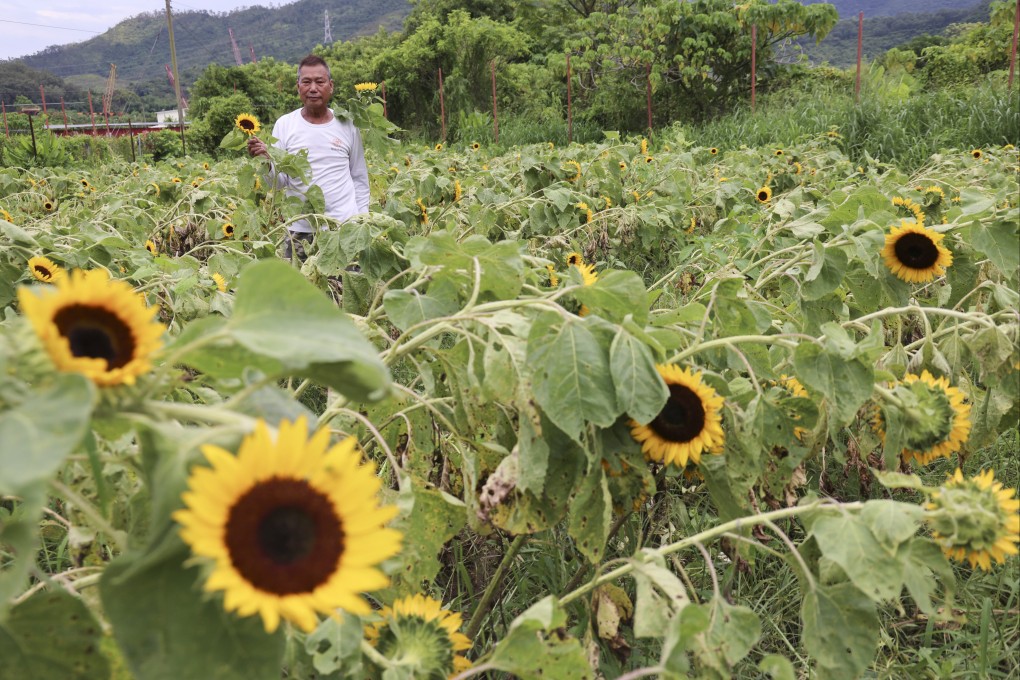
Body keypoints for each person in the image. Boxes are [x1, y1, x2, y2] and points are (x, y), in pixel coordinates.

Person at [247, 54, 370, 261]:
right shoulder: (285, 125)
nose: (313, 88)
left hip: (343, 226)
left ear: (330, 86)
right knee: (299, 291)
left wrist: (361, 219)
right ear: (298, 87)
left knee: (343, 290)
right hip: (300, 229)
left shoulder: (347, 124)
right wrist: (267, 161)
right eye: (306, 82)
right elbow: (278, 184)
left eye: (319, 82)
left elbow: (359, 176)